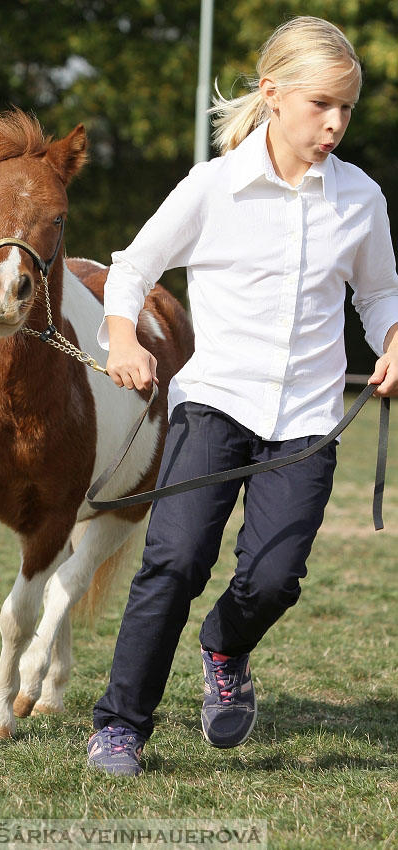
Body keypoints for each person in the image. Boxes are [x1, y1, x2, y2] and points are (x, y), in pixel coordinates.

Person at [86, 16, 398, 776]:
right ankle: (121, 725)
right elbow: (131, 268)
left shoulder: (357, 198)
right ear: (272, 94)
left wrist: (393, 338)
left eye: (346, 109)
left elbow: (379, 292)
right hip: (216, 403)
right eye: (321, 103)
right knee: (176, 559)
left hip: (309, 421)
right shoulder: (212, 187)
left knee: (273, 579)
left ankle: (224, 646)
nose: (334, 123)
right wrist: (121, 337)